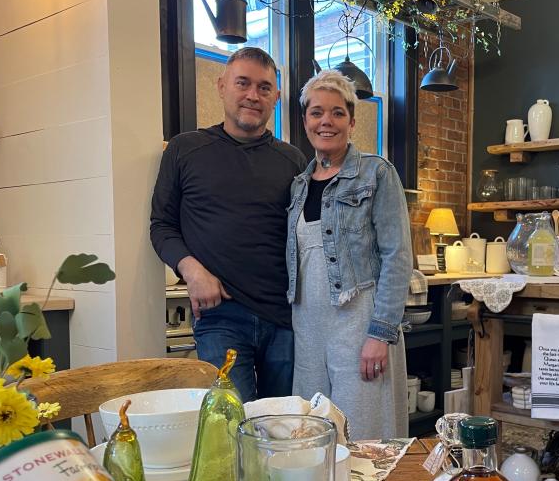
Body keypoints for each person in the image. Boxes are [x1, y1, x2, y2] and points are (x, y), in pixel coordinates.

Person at [151, 47, 307, 401]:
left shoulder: (293, 160)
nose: (253, 95)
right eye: (243, 83)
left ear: (276, 98)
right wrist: (192, 272)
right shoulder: (184, 149)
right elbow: (161, 226)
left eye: (264, 88)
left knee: (279, 426)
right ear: (222, 86)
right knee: (232, 422)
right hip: (220, 314)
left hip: (286, 317)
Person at [287, 70, 412, 440]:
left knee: (364, 438)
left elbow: (398, 256)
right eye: (317, 112)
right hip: (307, 329)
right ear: (305, 121)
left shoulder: (378, 174)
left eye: (338, 113)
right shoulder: (297, 186)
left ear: (352, 122)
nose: (326, 121)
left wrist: (380, 334)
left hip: (359, 324)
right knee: (312, 436)